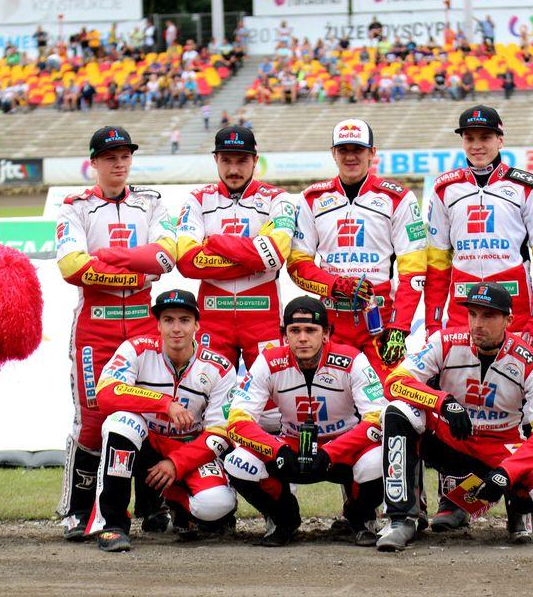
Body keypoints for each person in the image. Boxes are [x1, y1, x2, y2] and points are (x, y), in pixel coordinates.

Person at [424, 105, 533, 531]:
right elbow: (437, 263)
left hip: (515, 311)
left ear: (500, 139)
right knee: (454, 400)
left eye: (485, 137)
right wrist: (433, 322)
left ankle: (521, 501)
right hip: (462, 312)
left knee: (516, 404)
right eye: (469, 138)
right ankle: (455, 500)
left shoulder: (529, 186)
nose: (477, 145)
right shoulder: (445, 188)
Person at [376, 282, 533, 550]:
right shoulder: (444, 342)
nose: (477, 324)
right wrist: (442, 402)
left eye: (488, 316)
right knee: (397, 411)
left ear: (508, 320)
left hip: (500, 450)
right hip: (449, 439)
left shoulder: (531, 363)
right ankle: (402, 519)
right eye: (472, 314)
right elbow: (395, 383)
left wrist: (507, 473)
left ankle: (517, 507)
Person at [55, 126, 178, 540]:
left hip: (144, 323)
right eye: (110, 157)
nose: (119, 164)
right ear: (94, 162)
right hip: (96, 325)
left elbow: (165, 257)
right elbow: (72, 266)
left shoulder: (151, 202)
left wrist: (107, 258)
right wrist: (134, 270)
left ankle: (152, 505)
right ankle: (77, 509)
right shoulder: (76, 207)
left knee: (148, 412)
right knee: (91, 419)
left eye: (125, 156)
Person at [224, 297, 387, 546]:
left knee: (378, 460)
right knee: (237, 461)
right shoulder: (268, 361)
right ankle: (284, 519)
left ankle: (360, 517)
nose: (302, 338)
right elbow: (237, 421)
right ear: (284, 335)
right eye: (295, 330)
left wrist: (331, 452)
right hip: (290, 445)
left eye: (310, 330)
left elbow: (376, 418)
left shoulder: (353, 359)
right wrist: (277, 449)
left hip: (344, 446)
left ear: (326, 333)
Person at [88, 290, 238, 552]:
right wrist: (164, 403)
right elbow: (107, 393)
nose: (176, 328)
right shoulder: (136, 349)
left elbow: (219, 434)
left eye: (184, 320)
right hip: (145, 445)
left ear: (197, 325)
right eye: (168, 320)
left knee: (217, 504)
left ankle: (176, 502)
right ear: (158, 325)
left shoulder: (220, 368)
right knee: (121, 422)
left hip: (189, 448)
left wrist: (176, 463)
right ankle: (112, 524)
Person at [288, 119, 426, 381]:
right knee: (330, 395)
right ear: (333, 153)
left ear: (372, 152)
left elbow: (414, 272)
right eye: (343, 150)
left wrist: (399, 328)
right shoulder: (311, 198)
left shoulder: (399, 198)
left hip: (380, 322)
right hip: (330, 321)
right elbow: (297, 266)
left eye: (358, 149)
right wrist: (336, 285)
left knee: (391, 393)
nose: (350, 156)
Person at [176, 126, 294, 371]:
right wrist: (253, 260)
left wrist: (214, 242)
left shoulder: (278, 199)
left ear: (255, 161)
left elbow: (274, 255)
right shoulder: (197, 200)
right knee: (209, 390)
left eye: (242, 161)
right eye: (226, 161)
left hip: (263, 316)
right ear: (215, 160)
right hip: (213, 318)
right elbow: (187, 262)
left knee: (270, 391)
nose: (233, 170)